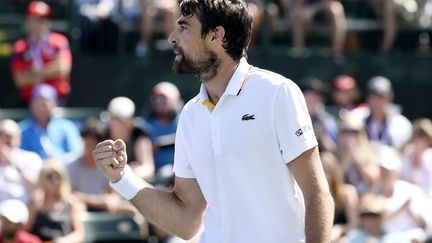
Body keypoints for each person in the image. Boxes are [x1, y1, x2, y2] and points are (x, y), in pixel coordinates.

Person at [93, 0, 334, 242]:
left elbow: (317, 193)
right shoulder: (190, 115)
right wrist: (122, 177)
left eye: (184, 27)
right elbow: (186, 222)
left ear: (216, 36)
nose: (172, 37)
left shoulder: (277, 92)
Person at [11, 1, 72, 103]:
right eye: (37, 19)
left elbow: (63, 69)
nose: (42, 23)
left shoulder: (59, 41)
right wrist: (51, 69)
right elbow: (20, 80)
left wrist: (33, 73)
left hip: (58, 100)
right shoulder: (20, 46)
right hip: (29, 102)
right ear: (28, 21)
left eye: (45, 19)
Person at [19, 84, 83, 164]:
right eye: (38, 102)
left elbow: (76, 152)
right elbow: (19, 155)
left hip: (63, 171)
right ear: (31, 104)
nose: (41, 107)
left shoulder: (67, 126)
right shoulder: (22, 130)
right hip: (33, 173)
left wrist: (59, 161)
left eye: (45, 103)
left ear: (54, 103)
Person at [26, 160, 85, 243]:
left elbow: (80, 234)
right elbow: (25, 231)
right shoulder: (35, 203)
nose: (55, 181)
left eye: (58, 177)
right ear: (42, 179)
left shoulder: (71, 203)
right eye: (50, 177)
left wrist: (64, 241)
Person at [105, 97, 155, 179]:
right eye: (114, 119)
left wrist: (125, 172)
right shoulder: (101, 136)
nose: (116, 124)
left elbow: (148, 169)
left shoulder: (140, 138)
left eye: (120, 120)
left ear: (130, 121)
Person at [143, 82, 182, 182]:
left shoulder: (185, 122)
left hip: (182, 175)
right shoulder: (143, 126)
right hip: (151, 178)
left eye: (163, 98)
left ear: (176, 99)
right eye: (154, 98)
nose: (158, 101)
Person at [363, 76, 412, 150]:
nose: (375, 102)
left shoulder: (402, 124)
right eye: (372, 97)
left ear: (390, 97)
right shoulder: (358, 121)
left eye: (380, 97)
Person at [0, 119, 43, 203]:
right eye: (0, 134)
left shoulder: (31, 158)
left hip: (25, 209)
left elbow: (39, 187)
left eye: (9, 135)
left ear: (18, 138)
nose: (4, 139)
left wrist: (14, 164)